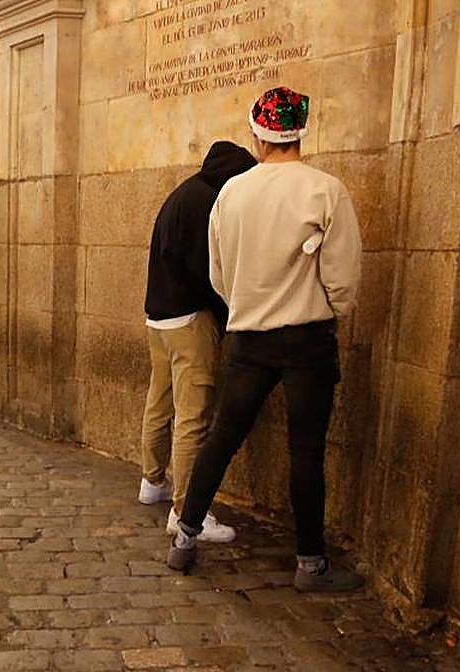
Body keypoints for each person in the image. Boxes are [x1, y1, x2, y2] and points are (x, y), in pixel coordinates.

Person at [167, 87, 363, 593]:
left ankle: (184, 537)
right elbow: (343, 277)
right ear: (299, 131)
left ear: (258, 133)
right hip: (306, 340)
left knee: (222, 437)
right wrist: (329, 310)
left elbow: (219, 274)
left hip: (248, 337)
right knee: (306, 449)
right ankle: (310, 563)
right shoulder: (325, 190)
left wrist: (246, 306)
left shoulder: (232, 193)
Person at [140, 141, 257, 546]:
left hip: (159, 318)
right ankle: (186, 511)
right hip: (190, 320)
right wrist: (228, 318)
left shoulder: (183, 193)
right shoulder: (208, 203)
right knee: (193, 416)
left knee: (160, 399)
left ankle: (151, 481)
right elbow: (209, 273)